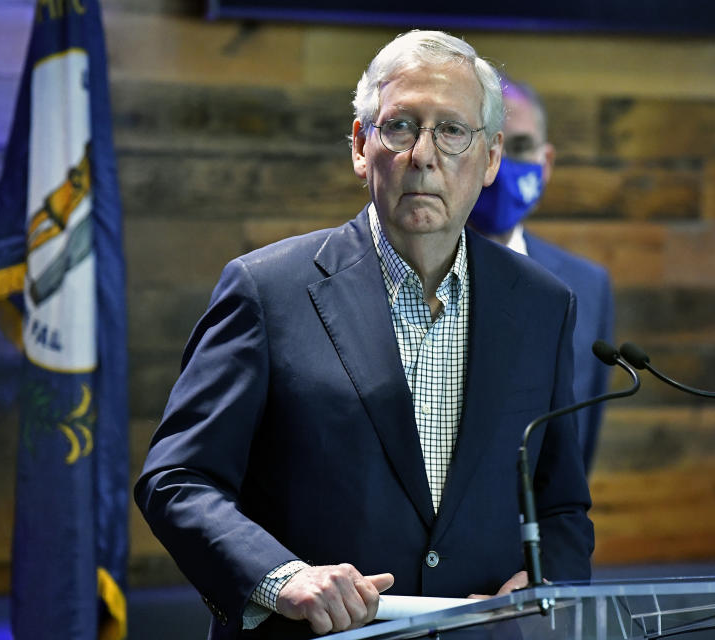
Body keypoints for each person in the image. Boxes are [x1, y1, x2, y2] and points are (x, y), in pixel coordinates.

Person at [135, 31, 594, 640]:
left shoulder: (542, 304)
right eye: (401, 127)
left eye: (452, 131)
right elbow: (179, 480)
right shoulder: (267, 290)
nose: (423, 155)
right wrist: (281, 577)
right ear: (360, 146)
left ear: (490, 159)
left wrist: (548, 581)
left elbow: (560, 505)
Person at [468, 76, 615, 473]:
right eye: (487, 147)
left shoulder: (587, 286)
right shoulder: (413, 273)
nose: (499, 167)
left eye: (518, 147)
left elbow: (577, 448)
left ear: (545, 163)